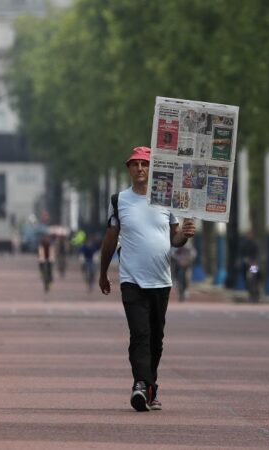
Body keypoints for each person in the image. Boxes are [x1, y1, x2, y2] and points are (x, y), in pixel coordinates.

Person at [98, 146, 196, 412]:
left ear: (153, 169)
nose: (140, 169)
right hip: (132, 280)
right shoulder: (119, 200)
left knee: (156, 339)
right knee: (139, 334)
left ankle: (151, 387)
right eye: (135, 164)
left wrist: (185, 234)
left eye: (145, 164)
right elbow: (110, 239)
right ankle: (140, 384)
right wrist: (103, 271)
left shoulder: (169, 199)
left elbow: (175, 239)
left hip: (161, 281)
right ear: (128, 169)